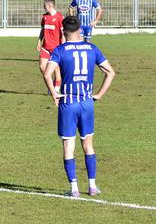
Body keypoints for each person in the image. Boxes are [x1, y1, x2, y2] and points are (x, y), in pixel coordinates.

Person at [43, 16, 116, 198]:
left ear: (63, 31)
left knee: (69, 145)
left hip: (68, 102)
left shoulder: (60, 50)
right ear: (80, 30)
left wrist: (54, 93)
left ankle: (74, 189)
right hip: (87, 103)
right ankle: (92, 186)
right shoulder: (92, 48)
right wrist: (99, 94)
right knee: (88, 144)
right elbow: (110, 72)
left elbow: (47, 74)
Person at [38, 0, 64, 93]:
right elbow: (42, 30)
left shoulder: (59, 17)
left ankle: (56, 89)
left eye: (44, 5)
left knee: (56, 69)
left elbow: (63, 34)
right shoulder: (44, 17)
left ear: (49, 6)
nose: (43, 7)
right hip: (45, 47)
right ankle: (51, 85)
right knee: (42, 67)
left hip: (56, 48)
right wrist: (39, 41)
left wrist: (63, 46)